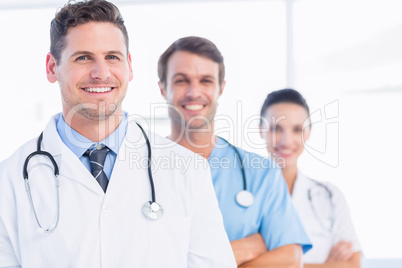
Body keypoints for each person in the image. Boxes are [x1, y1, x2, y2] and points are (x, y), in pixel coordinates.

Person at [0, 1, 237, 267]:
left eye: (112, 57)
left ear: (130, 66)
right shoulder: (9, 180)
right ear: (51, 67)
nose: (101, 73)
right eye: (83, 57)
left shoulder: (188, 170)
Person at [157, 36, 312, 267]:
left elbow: (290, 258)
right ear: (163, 88)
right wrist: (236, 251)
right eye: (181, 80)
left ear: (221, 88)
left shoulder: (261, 173)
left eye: (206, 80)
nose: (194, 92)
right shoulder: (139, 171)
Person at [259, 88, 362, 267]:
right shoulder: (244, 195)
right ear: (261, 130)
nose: (286, 140)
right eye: (276, 128)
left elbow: (353, 263)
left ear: (308, 133)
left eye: (297, 129)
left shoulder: (329, 196)